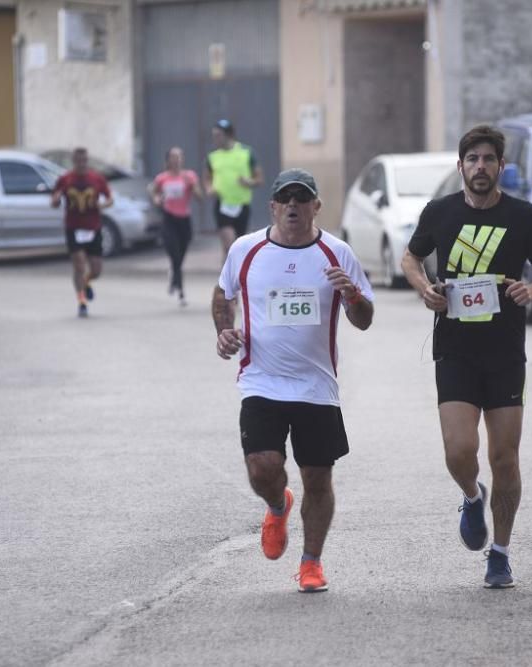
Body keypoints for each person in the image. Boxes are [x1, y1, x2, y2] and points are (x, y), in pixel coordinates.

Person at [400, 125, 532, 589]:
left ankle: (501, 553)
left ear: (500, 167)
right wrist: (425, 289)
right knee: (458, 452)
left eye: (488, 159)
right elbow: (410, 260)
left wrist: (531, 288)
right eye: (472, 159)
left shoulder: (523, 216)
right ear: (460, 167)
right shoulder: (440, 212)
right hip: (455, 348)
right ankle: (472, 497)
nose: (480, 167)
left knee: (505, 457)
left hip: (505, 352)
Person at [212, 168, 374, 593]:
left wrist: (352, 296)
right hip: (261, 380)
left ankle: (311, 563)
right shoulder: (246, 250)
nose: (293, 207)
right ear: (272, 206)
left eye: (302, 199)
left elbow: (364, 320)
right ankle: (276, 503)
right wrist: (223, 331)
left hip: (317, 386)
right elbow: (222, 294)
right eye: (285, 199)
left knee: (318, 479)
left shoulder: (338, 254)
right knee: (262, 468)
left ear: (316, 207)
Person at [51, 147, 113, 318]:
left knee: (96, 270)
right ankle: (81, 302)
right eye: (78, 160)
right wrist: (56, 200)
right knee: (79, 264)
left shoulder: (97, 178)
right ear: (73, 161)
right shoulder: (65, 179)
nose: (81, 163)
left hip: (93, 226)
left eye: (84, 160)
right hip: (73, 227)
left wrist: (103, 205)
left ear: (87, 160)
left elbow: (110, 198)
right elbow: (54, 200)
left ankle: (86, 281)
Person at [150, 147, 203, 306]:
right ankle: (181, 292)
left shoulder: (189, 176)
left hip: (184, 220)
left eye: (179, 156)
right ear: (168, 160)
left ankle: (174, 274)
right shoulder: (162, 178)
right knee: (174, 254)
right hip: (169, 219)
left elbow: (200, 197)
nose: (177, 159)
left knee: (180, 255)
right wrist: (157, 200)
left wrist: (193, 186)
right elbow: (154, 194)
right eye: (173, 156)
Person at [204, 119, 263, 259]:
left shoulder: (246, 153)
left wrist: (249, 182)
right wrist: (209, 188)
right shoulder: (213, 157)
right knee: (229, 245)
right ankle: (226, 279)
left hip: (242, 204)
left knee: (239, 246)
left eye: (218, 135)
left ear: (229, 135)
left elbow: (259, 179)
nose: (215, 139)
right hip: (222, 205)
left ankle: (235, 276)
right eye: (213, 135)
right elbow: (207, 178)